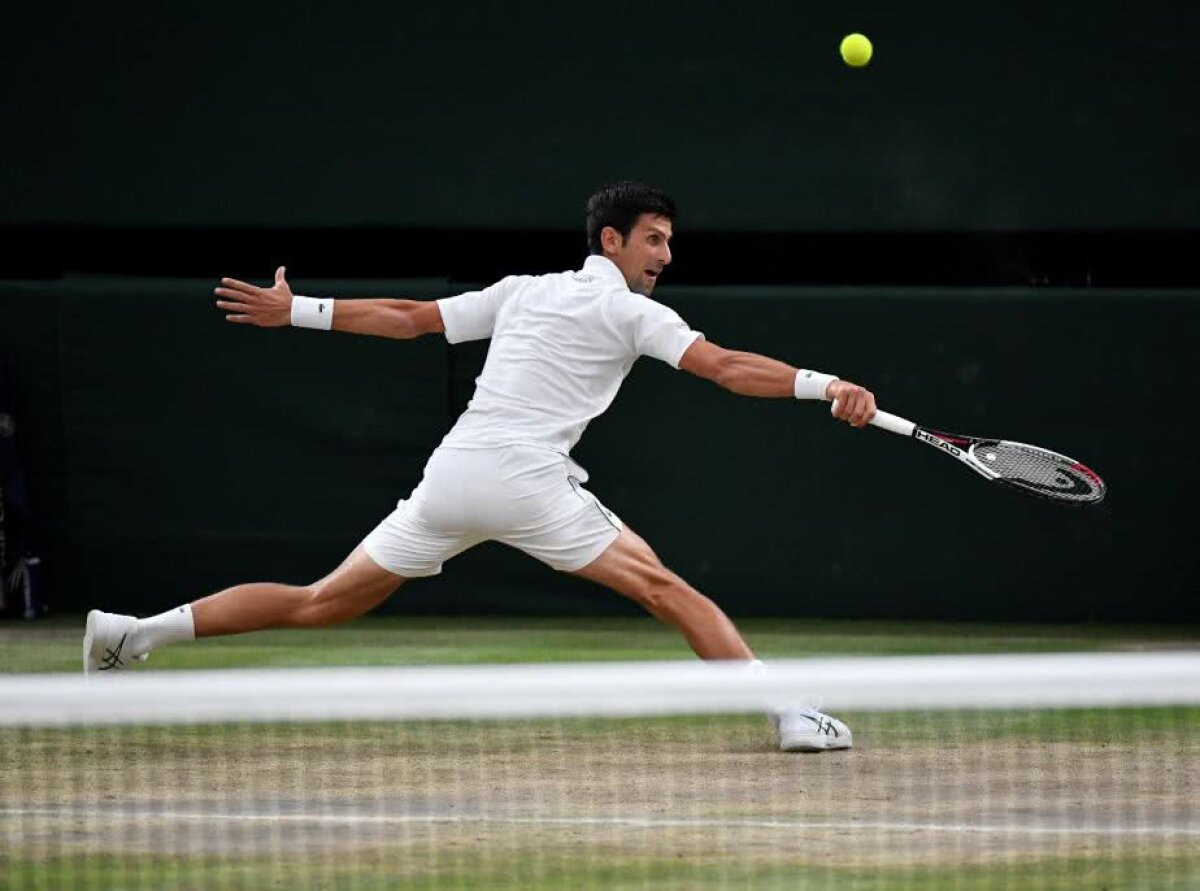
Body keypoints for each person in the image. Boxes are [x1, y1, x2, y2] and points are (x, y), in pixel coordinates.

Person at [83, 182, 877, 752]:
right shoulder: (632, 310)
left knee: (319, 601)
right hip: (528, 480)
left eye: (669, 241)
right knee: (670, 589)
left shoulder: (522, 292)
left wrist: (298, 310)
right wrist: (825, 384)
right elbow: (727, 367)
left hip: (453, 475)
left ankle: (131, 634)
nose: (666, 254)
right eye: (655, 239)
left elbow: (410, 319)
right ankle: (789, 712)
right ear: (612, 240)